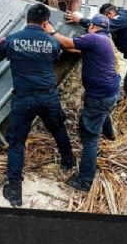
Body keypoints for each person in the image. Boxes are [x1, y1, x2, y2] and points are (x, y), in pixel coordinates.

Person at [0, 3, 75, 207]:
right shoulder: (52, 42)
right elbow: (55, 57)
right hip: (48, 97)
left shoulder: (12, 40)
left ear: (27, 19)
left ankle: (15, 192)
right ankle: (68, 161)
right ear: (46, 22)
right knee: (58, 129)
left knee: (17, 143)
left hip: (23, 99)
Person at [47, 14, 121, 192]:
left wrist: (51, 31)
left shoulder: (94, 38)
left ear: (93, 27)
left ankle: (85, 180)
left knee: (89, 136)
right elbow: (75, 50)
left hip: (99, 95)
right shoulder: (104, 39)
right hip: (110, 91)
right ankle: (110, 134)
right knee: (102, 113)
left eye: (89, 26)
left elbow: (67, 43)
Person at [64, 3, 127, 121]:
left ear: (110, 14)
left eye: (105, 18)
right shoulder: (119, 18)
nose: (104, 21)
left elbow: (102, 27)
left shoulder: (121, 19)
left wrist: (80, 20)